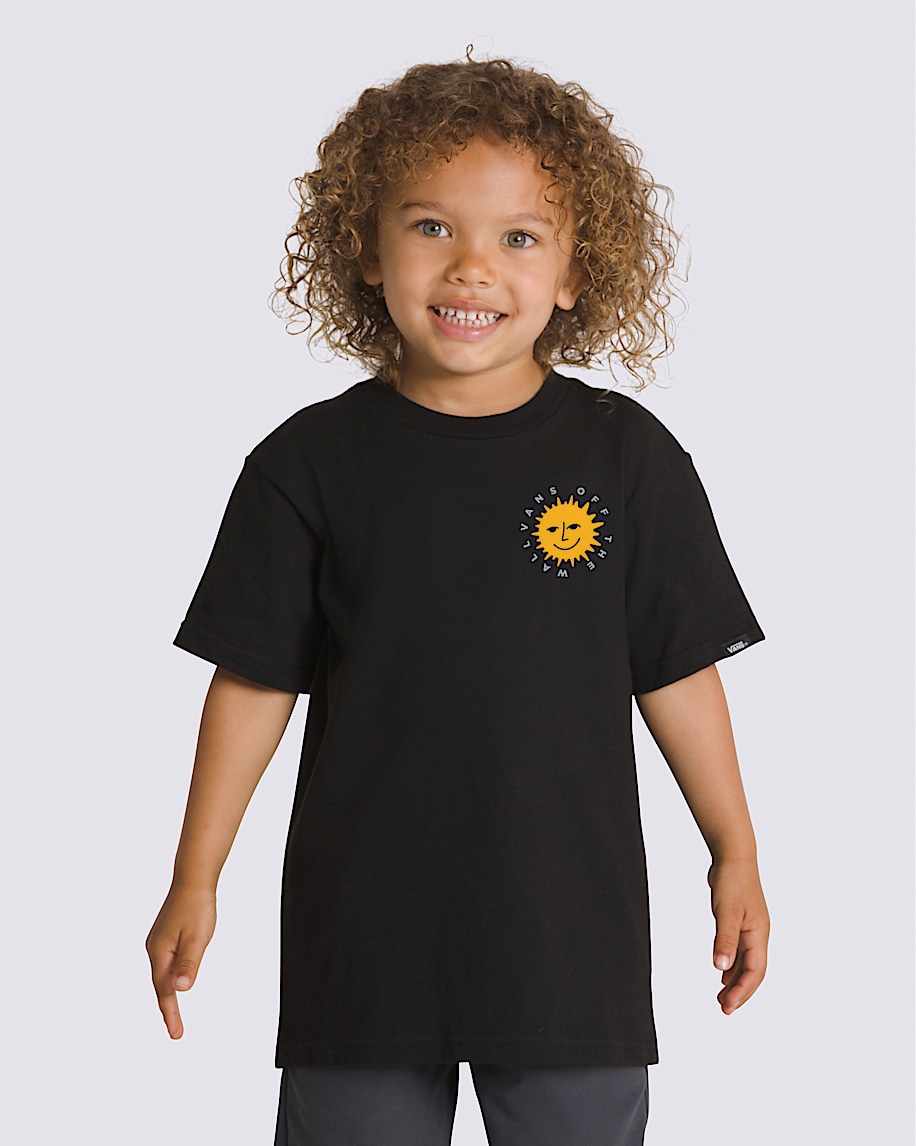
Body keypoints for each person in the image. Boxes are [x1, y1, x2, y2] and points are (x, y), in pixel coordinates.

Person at [146, 56, 770, 1146]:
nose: (472, 266)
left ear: (575, 272)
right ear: (365, 249)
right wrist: (194, 877)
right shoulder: (307, 465)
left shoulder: (628, 458)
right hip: (363, 949)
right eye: (432, 226)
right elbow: (253, 683)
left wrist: (735, 851)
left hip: (568, 948)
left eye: (519, 237)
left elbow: (676, 669)